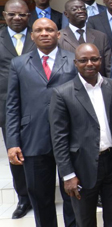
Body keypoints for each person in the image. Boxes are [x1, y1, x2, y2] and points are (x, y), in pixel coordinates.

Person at [6, 18, 76, 227]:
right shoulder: (18, 64)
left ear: (58, 34)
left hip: (70, 138)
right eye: (39, 30)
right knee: (40, 196)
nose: (44, 33)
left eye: (49, 29)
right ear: (32, 35)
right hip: (33, 139)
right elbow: (12, 105)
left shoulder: (74, 60)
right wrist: (12, 142)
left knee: (73, 195)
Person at [49, 43, 112, 227]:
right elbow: (58, 138)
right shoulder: (62, 93)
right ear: (75, 63)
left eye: (94, 59)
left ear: (101, 60)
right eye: (84, 60)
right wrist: (68, 175)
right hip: (81, 167)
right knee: (85, 221)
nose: (89, 63)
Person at [0, 0, 34, 219]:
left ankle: (43, 192)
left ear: (28, 16)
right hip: (7, 106)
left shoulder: (38, 34)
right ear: (4, 15)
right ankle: (24, 199)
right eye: (12, 14)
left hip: (38, 104)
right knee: (16, 152)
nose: (17, 18)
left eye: (21, 14)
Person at [58, 0, 112, 77]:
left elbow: (108, 67)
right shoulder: (58, 37)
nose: (80, 11)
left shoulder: (101, 37)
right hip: (70, 86)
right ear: (66, 14)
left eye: (83, 8)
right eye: (75, 9)